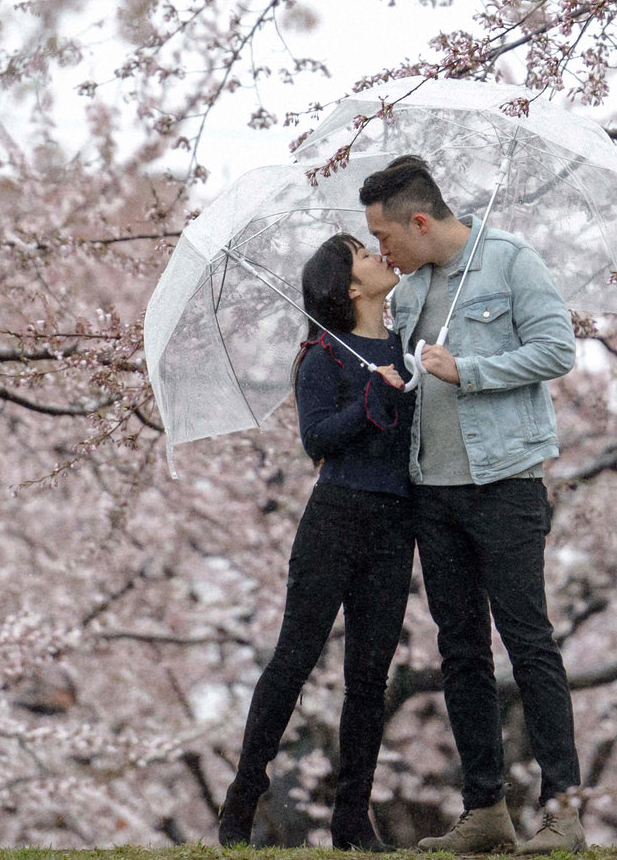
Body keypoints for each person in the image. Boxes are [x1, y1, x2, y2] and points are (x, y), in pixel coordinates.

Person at [360, 154, 586, 855]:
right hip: (435, 493)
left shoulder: (513, 263)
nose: (380, 252)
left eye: (385, 237)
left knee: (529, 642)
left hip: (506, 485)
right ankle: (485, 810)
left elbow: (558, 350)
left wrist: (472, 370)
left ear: (419, 221)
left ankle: (563, 812)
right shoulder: (409, 292)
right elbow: (418, 379)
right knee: (460, 651)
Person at [219, 232, 416, 852]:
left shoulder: (410, 347)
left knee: (370, 675)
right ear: (351, 287)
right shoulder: (322, 356)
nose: (379, 255)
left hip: (395, 522)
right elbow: (317, 440)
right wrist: (372, 398)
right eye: (363, 254)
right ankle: (245, 791)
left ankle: (352, 816)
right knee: (295, 657)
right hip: (335, 517)